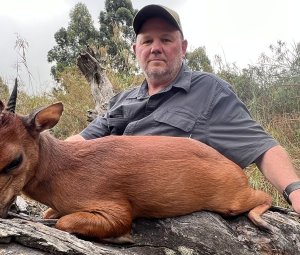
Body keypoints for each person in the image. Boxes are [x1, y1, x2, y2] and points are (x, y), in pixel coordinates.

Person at [68, 4, 300, 214]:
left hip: (169, 209)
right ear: (135, 49)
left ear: (183, 47)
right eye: (147, 41)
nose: (156, 48)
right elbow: (77, 145)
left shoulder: (209, 91)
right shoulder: (121, 100)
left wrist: (295, 191)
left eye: (166, 40)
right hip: (107, 207)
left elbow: (262, 148)